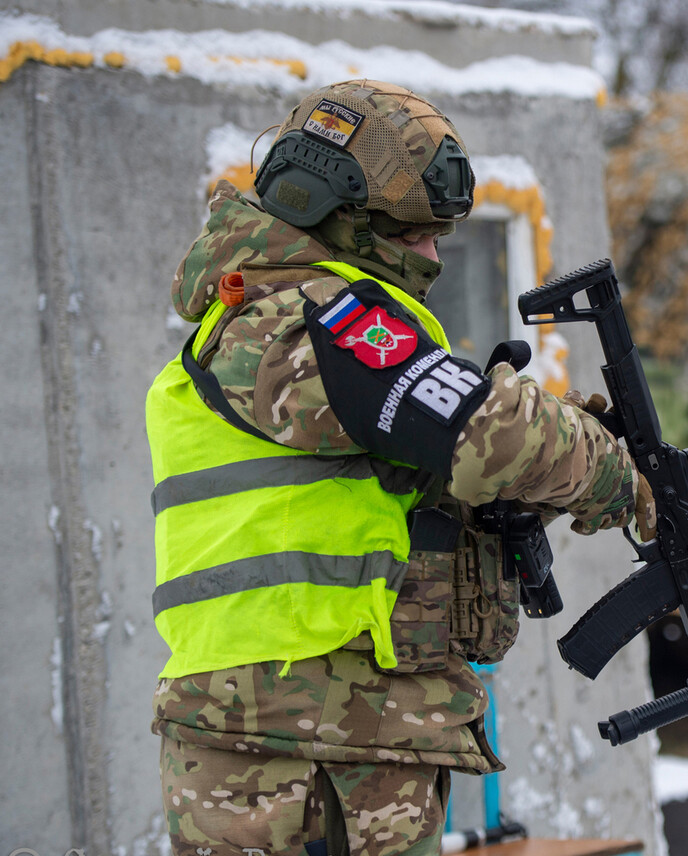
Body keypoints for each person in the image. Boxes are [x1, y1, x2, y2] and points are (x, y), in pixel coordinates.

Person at [146, 79, 654, 856]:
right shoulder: (300, 320)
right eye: (414, 232)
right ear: (328, 210)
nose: (434, 255)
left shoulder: (287, 322)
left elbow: (416, 490)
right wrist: (613, 471)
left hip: (319, 734)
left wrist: (564, 461)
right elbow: (487, 429)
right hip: (304, 749)